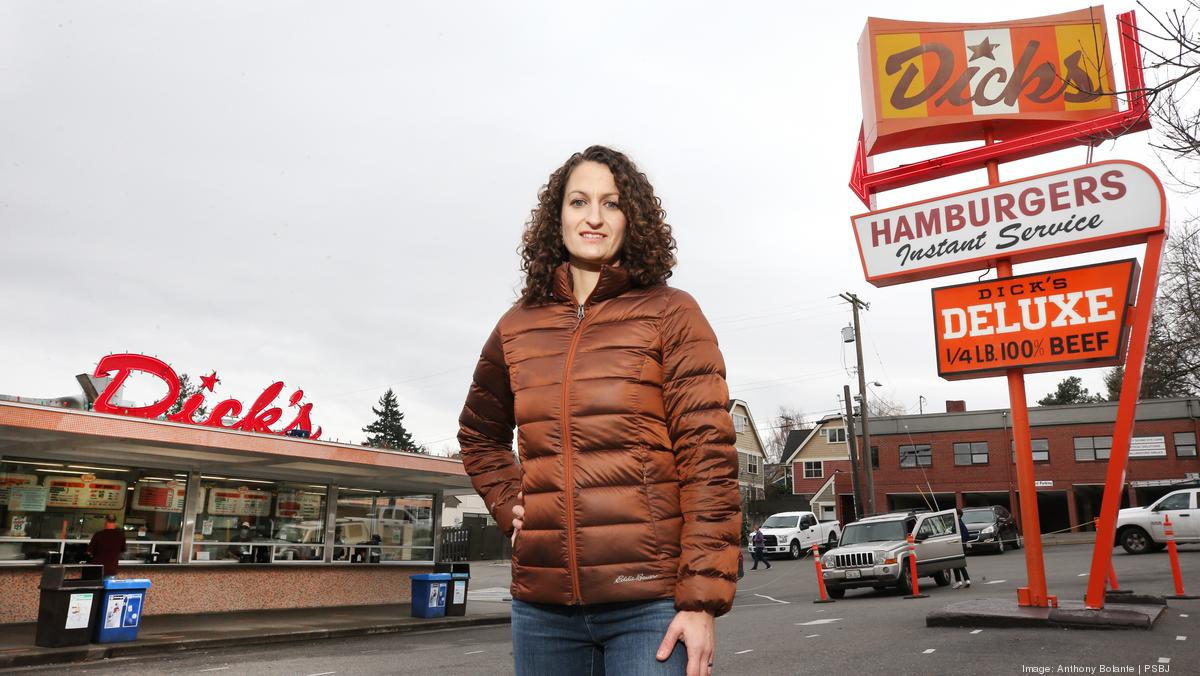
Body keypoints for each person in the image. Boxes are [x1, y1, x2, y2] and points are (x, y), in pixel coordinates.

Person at [458, 145, 740, 676]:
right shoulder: (517, 327)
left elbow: (709, 461)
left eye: (611, 204)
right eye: (579, 201)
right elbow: (478, 435)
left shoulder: (671, 313)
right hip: (541, 611)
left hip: (649, 605)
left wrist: (700, 602)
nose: (593, 217)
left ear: (631, 218)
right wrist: (507, 500)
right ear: (556, 216)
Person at [952, 509, 971, 589]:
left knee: (955, 563)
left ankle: (959, 581)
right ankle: (966, 580)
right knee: (960, 563)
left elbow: (965, 534)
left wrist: (961, 540)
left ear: (958, 515)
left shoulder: (957, 523)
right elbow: (966, 534)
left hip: (958, 545)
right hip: (961, 545)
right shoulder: (961, 522)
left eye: (955, 514)